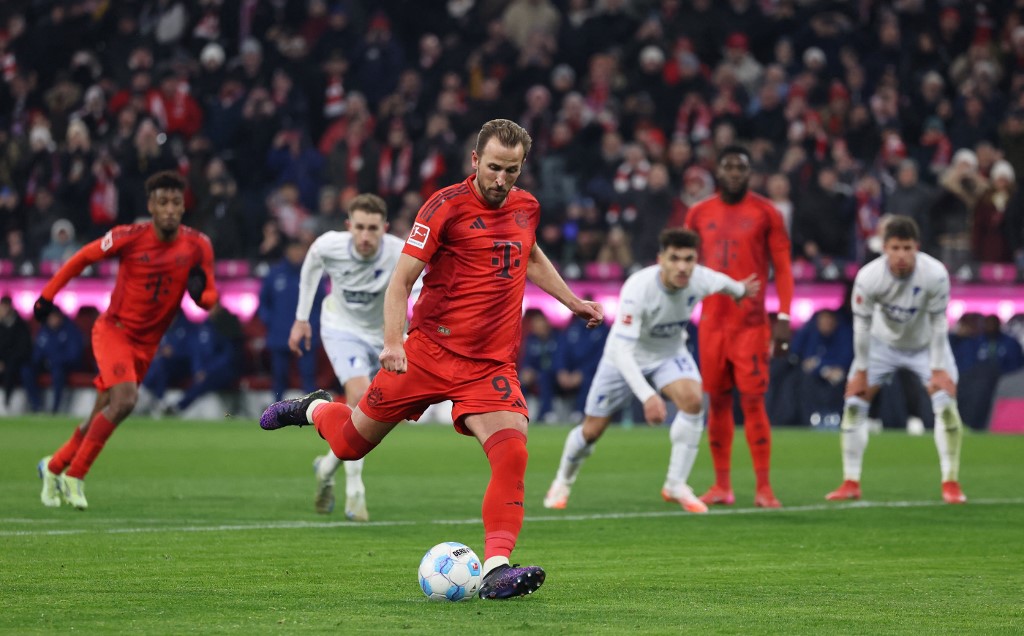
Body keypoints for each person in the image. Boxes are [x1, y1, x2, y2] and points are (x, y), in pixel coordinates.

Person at [259, 119, 602, 600]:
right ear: (475, 161)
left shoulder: (527, 207)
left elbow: (530, 255)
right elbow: (400, 281)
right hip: (427, 353)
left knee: (513, 452)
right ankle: (313, 408)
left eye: (513, 171)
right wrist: (394, 342)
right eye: (495, 168)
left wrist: (572, 302)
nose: (502, 180)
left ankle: (497, 567)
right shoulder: (444, 207)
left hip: (490, 365)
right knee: (351, 444)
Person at [34, 171, 218, 510]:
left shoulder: (198, 245)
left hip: (148, 344)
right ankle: (76, 475)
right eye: (162, 202)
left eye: (176, 202)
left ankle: (53, 466)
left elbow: (209, 296)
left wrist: (201, 294)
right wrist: (47, 297)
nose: (169, 210)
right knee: (125, 400)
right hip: (114, 331)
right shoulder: (129, 237)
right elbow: (81, 258)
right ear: (150, 205)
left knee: (101, 412)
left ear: (183, 207)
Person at [543, 228, 759, 514]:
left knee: (693, 401)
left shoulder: (702, 279)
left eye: (689, 259)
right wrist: (647, 396)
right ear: (661, 260)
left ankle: (675, 484)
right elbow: (622, 351)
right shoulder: (638, 288)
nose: (682, 266)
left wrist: (742, 291)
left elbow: (728, 285)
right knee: (592, 431)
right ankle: (563, 481)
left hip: (668, 355)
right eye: (675, 259)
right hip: (623, 357)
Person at [825, 215, 967, 504]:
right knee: (854, 405)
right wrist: (862, 371)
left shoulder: (935, 274)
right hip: (881, 344)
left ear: (917, 247)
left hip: (925, 346)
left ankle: (950, 482)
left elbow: (940, 322)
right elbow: (862, 326)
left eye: (907, 248)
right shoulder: (868, 277)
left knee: (947, 407)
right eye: (895, 248)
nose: (901, 255)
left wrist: (938, 368)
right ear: (884, 248)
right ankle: (851, 481)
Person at [684, 144, 794, 508]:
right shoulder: (699, 213)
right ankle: (721, 486)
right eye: (728, 166)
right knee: (716, 402)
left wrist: (784, 316)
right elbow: (685, 267)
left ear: (750, 173)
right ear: (718, 171)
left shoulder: (767, 213)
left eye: (740, 167)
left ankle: (764, 488)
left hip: (750, 325)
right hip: (712, 323)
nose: (734, 173)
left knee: (753, 402)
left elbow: (783, 267)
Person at [289, 192, 404, 520]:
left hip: (386, 334)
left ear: (385, 227)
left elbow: (422, 285)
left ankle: (326, 468)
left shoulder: (399, 252)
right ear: (348, 226)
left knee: (381, 412)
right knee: (360, 396)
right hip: (341, 328)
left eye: (373, 228)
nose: (365, 236)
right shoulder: (329, 246)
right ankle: (356, 492)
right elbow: (311, 266)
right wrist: (301, 319)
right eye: (360, 228)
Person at [259, 242, 323, 402]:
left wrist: (314, 326)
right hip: (280, 335)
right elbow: (262, 303)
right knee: (279, 377)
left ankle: (312, 411)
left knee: (308, 377)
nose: (297, 253)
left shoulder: (313, 274)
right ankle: (275, 413)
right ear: (287, 250)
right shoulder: (274, 273)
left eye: (300, 249)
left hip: (306, 336)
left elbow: (322, 304)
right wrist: (271, 322)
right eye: (293, 248)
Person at [22, 308, 84, 413]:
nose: (52, 320)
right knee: (26, 370)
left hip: (63, 365)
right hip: (45, 364)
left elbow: (74, 354)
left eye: (55, 317)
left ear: (60, 317)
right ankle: (36, 406)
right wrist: (40, 360)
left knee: (57, 371)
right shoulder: (44, 331)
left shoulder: (70, 330)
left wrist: (56, 360)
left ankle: (56, 408)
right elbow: (37, 351)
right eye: (50, 318)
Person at [0, 295, 32, 414]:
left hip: (16, 362)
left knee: (12, 371)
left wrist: (5, 362)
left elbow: (23, 348)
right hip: (2, 362)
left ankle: (6, 403)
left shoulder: (20, 325)